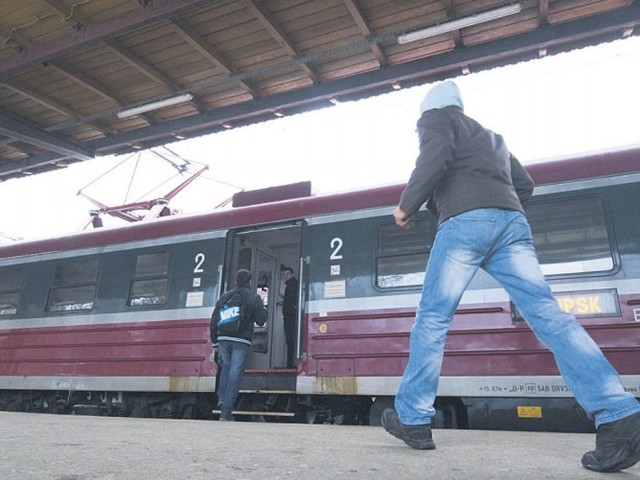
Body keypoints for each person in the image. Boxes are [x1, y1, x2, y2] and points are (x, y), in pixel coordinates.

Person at [381, 80, 640, 472]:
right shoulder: (493, 138)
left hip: (464, 226)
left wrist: (407, 206)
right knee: (550, 317)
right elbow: (525, 184)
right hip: (511, 225)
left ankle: (414, 418)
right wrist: (500, 209)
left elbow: (435, 155)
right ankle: (618, 413)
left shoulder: (436, 119)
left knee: (433, 319)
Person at [210, 269, 267, 421]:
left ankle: (222, 398)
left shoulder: (225, 296)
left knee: (225, 367)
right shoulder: (253, 297)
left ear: (235, 281)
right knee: (235, 374)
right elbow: (261, 320)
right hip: (241, 341)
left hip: (223, 339)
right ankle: (226, 411)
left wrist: (214, 341)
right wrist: (264, 309)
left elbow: (214, 319)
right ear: (250, 282)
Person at [280, 266, 299, 368]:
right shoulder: (292, 284)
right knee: (291, 341)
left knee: (290, 340)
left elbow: (292, 299)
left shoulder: (292, 285)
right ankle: (290, 364)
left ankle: (290, 365)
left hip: (291, 317)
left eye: (287, 274)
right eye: (284, 274)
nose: (285, 276)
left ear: (292, 274)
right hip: (290, 316)